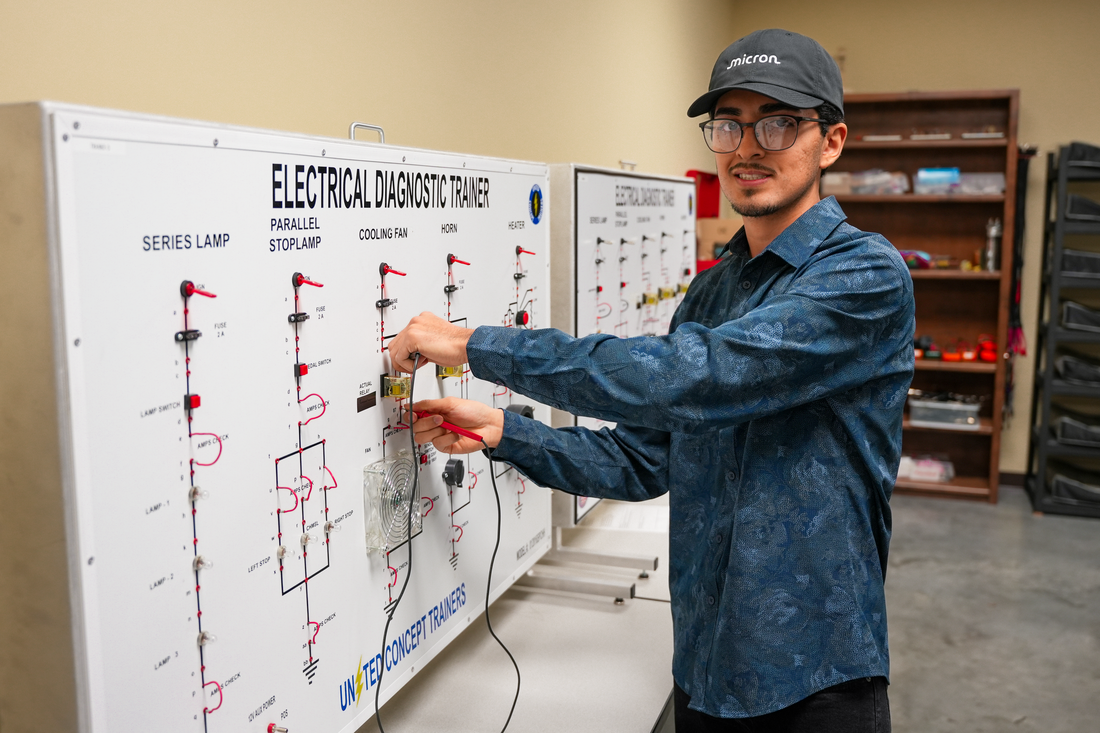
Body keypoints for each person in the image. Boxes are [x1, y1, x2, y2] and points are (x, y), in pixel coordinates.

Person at [388, 28, 913, 733]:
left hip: (815, 682)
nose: (748, 147)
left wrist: (472, 343)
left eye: (779, 123)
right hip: (702, 670)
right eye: (729, 125)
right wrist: (510, 433)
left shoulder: (864, 277)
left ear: (832, 140)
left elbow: (693, 378)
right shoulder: (713, 293)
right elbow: (645, 458)